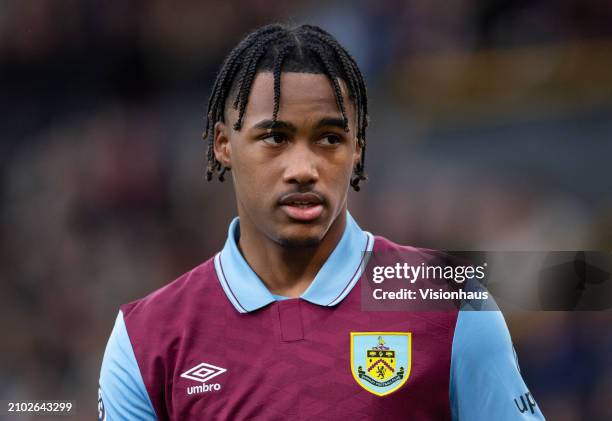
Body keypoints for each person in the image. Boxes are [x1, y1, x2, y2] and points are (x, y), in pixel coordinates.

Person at [98, 23, 545, 420]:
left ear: (358, 148)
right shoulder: (146, 340)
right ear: (223, 144)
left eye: (330, 138)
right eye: (275, 137)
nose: (303, 168)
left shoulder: (449, 302)